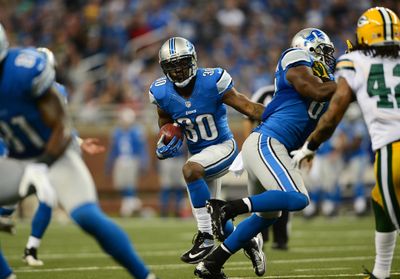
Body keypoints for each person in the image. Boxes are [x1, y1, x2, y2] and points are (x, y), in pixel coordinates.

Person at [0, 24, 157, 279]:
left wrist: (43, 163)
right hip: (16, 160)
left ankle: (145, 276)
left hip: (54, 155)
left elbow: (61, 127)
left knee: (87, 217)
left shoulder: (24, 70)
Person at [194, 28, 337, 278]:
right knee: (297, 198)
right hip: (268, 142)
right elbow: (312, 90)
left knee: (267, 215)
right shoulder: (294, 58)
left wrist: (310, 149)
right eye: (323, 51)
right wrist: (350, 78)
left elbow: (327, 119)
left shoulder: (328, 83)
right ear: (309, 49)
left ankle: (212, 264)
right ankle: (227, 208)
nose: (328, 58)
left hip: (271, 145)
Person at [291, 7, 400, 279]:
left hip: (392, 148)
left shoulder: (354, 60)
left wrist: (310, 146)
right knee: (379, 201)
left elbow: (334, 112)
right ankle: (381, 273)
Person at [149, 37, 266, 274]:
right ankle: (251, 241)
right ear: (164, 68)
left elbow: (248, 107)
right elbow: (165, 123)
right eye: (172, 66)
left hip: (224, 148)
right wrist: (165, 140)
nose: (179, 70)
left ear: (193, 60)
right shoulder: (160, 92)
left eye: (182, 63)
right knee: (220, 224)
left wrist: (282, 117)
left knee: (189, 170)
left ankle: (204, 237)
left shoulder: (213, 81)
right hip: (200, 156)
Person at [0, 47, 106, 267]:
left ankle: (30, 247)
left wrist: (79, 142)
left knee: (45, 195)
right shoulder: (32, 85)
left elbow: (58, 126)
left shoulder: (50, 89)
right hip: (17, 150)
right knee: (32, 195)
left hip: (30, 150)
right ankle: (24, 240)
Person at [242, 84, 290, 250]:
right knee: (282, 192)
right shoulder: (289, 93)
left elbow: (248, 120)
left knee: (273, 192)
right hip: (276, 147)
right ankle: (275, 237)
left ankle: (270, 236)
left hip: (266, 147)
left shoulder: (265, 92)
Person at [0, 158, 56, 279]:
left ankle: (31, 249)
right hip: (13, 166)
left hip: (34, 165)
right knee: (9, 205)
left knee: (48, 196)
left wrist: (79, 143)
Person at [106, 107, 149, 217]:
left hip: (132, 159)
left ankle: (127, 207)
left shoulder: (137, 131)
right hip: (120, 160)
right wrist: (109, 164)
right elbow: (113, 150)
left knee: (130, 185)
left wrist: (144, 161)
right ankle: (133, 204)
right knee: (121, 185)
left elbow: (142, 148)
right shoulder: (116, 132)